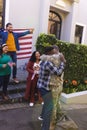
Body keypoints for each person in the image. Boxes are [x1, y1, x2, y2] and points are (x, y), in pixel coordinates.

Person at [37, 46, 65, 130]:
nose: (55, 54)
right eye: (54, 53)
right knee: (50, 109)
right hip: (45, 88)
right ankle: (45, 127)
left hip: (41, 86)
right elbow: (58, 72)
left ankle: (42, 116)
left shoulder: (44, 60)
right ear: (49, 53)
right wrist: (63, 62)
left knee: (47, 104)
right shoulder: (47, 63)